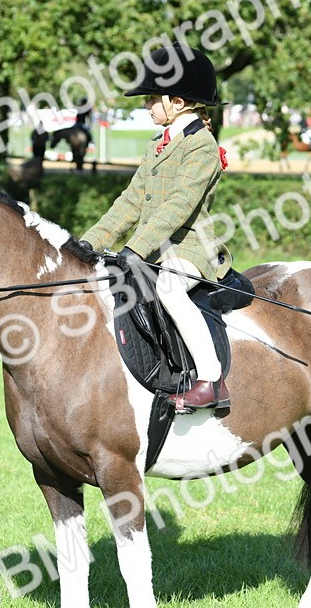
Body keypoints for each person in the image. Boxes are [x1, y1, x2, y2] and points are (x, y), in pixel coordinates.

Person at [79, 44, 232, 411]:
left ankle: (211, 381)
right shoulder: (157, 146)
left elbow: (178, 206)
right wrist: (84, 244)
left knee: (169, 286)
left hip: (191, 249)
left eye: (152, 99)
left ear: (177, 102)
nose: (147, 105)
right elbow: (131, 202)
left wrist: (136, 248)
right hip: (154, 248)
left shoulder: (202, 147)